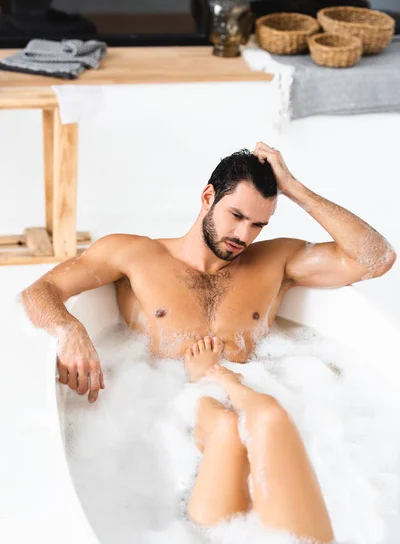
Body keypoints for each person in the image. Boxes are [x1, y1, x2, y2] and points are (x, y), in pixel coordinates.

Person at [20, 141, 396, 542]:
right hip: (168, 426)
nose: (242, 235)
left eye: (257, 225)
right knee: (235, 433)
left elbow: (376, 258)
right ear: (207, 197)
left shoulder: (274, 262)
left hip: (258, 414)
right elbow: (39, 292)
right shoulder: (134, 255)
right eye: (236, 216)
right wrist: (69, 329)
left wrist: (296, 189)